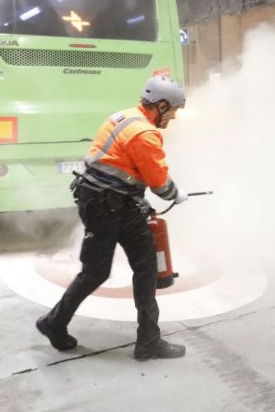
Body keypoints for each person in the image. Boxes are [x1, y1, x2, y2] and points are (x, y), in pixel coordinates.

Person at [36, 76, 188, 360]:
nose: (172, 117)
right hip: (112, 207)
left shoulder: (122, 117)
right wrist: (175, 194)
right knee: (143, 269)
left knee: (101, 271)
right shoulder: (145, 133)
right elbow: (158, 181)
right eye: (172, 111)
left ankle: (54, 323)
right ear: (161, 104)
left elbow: (120, 167)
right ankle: (147, 343)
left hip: (98, 200)